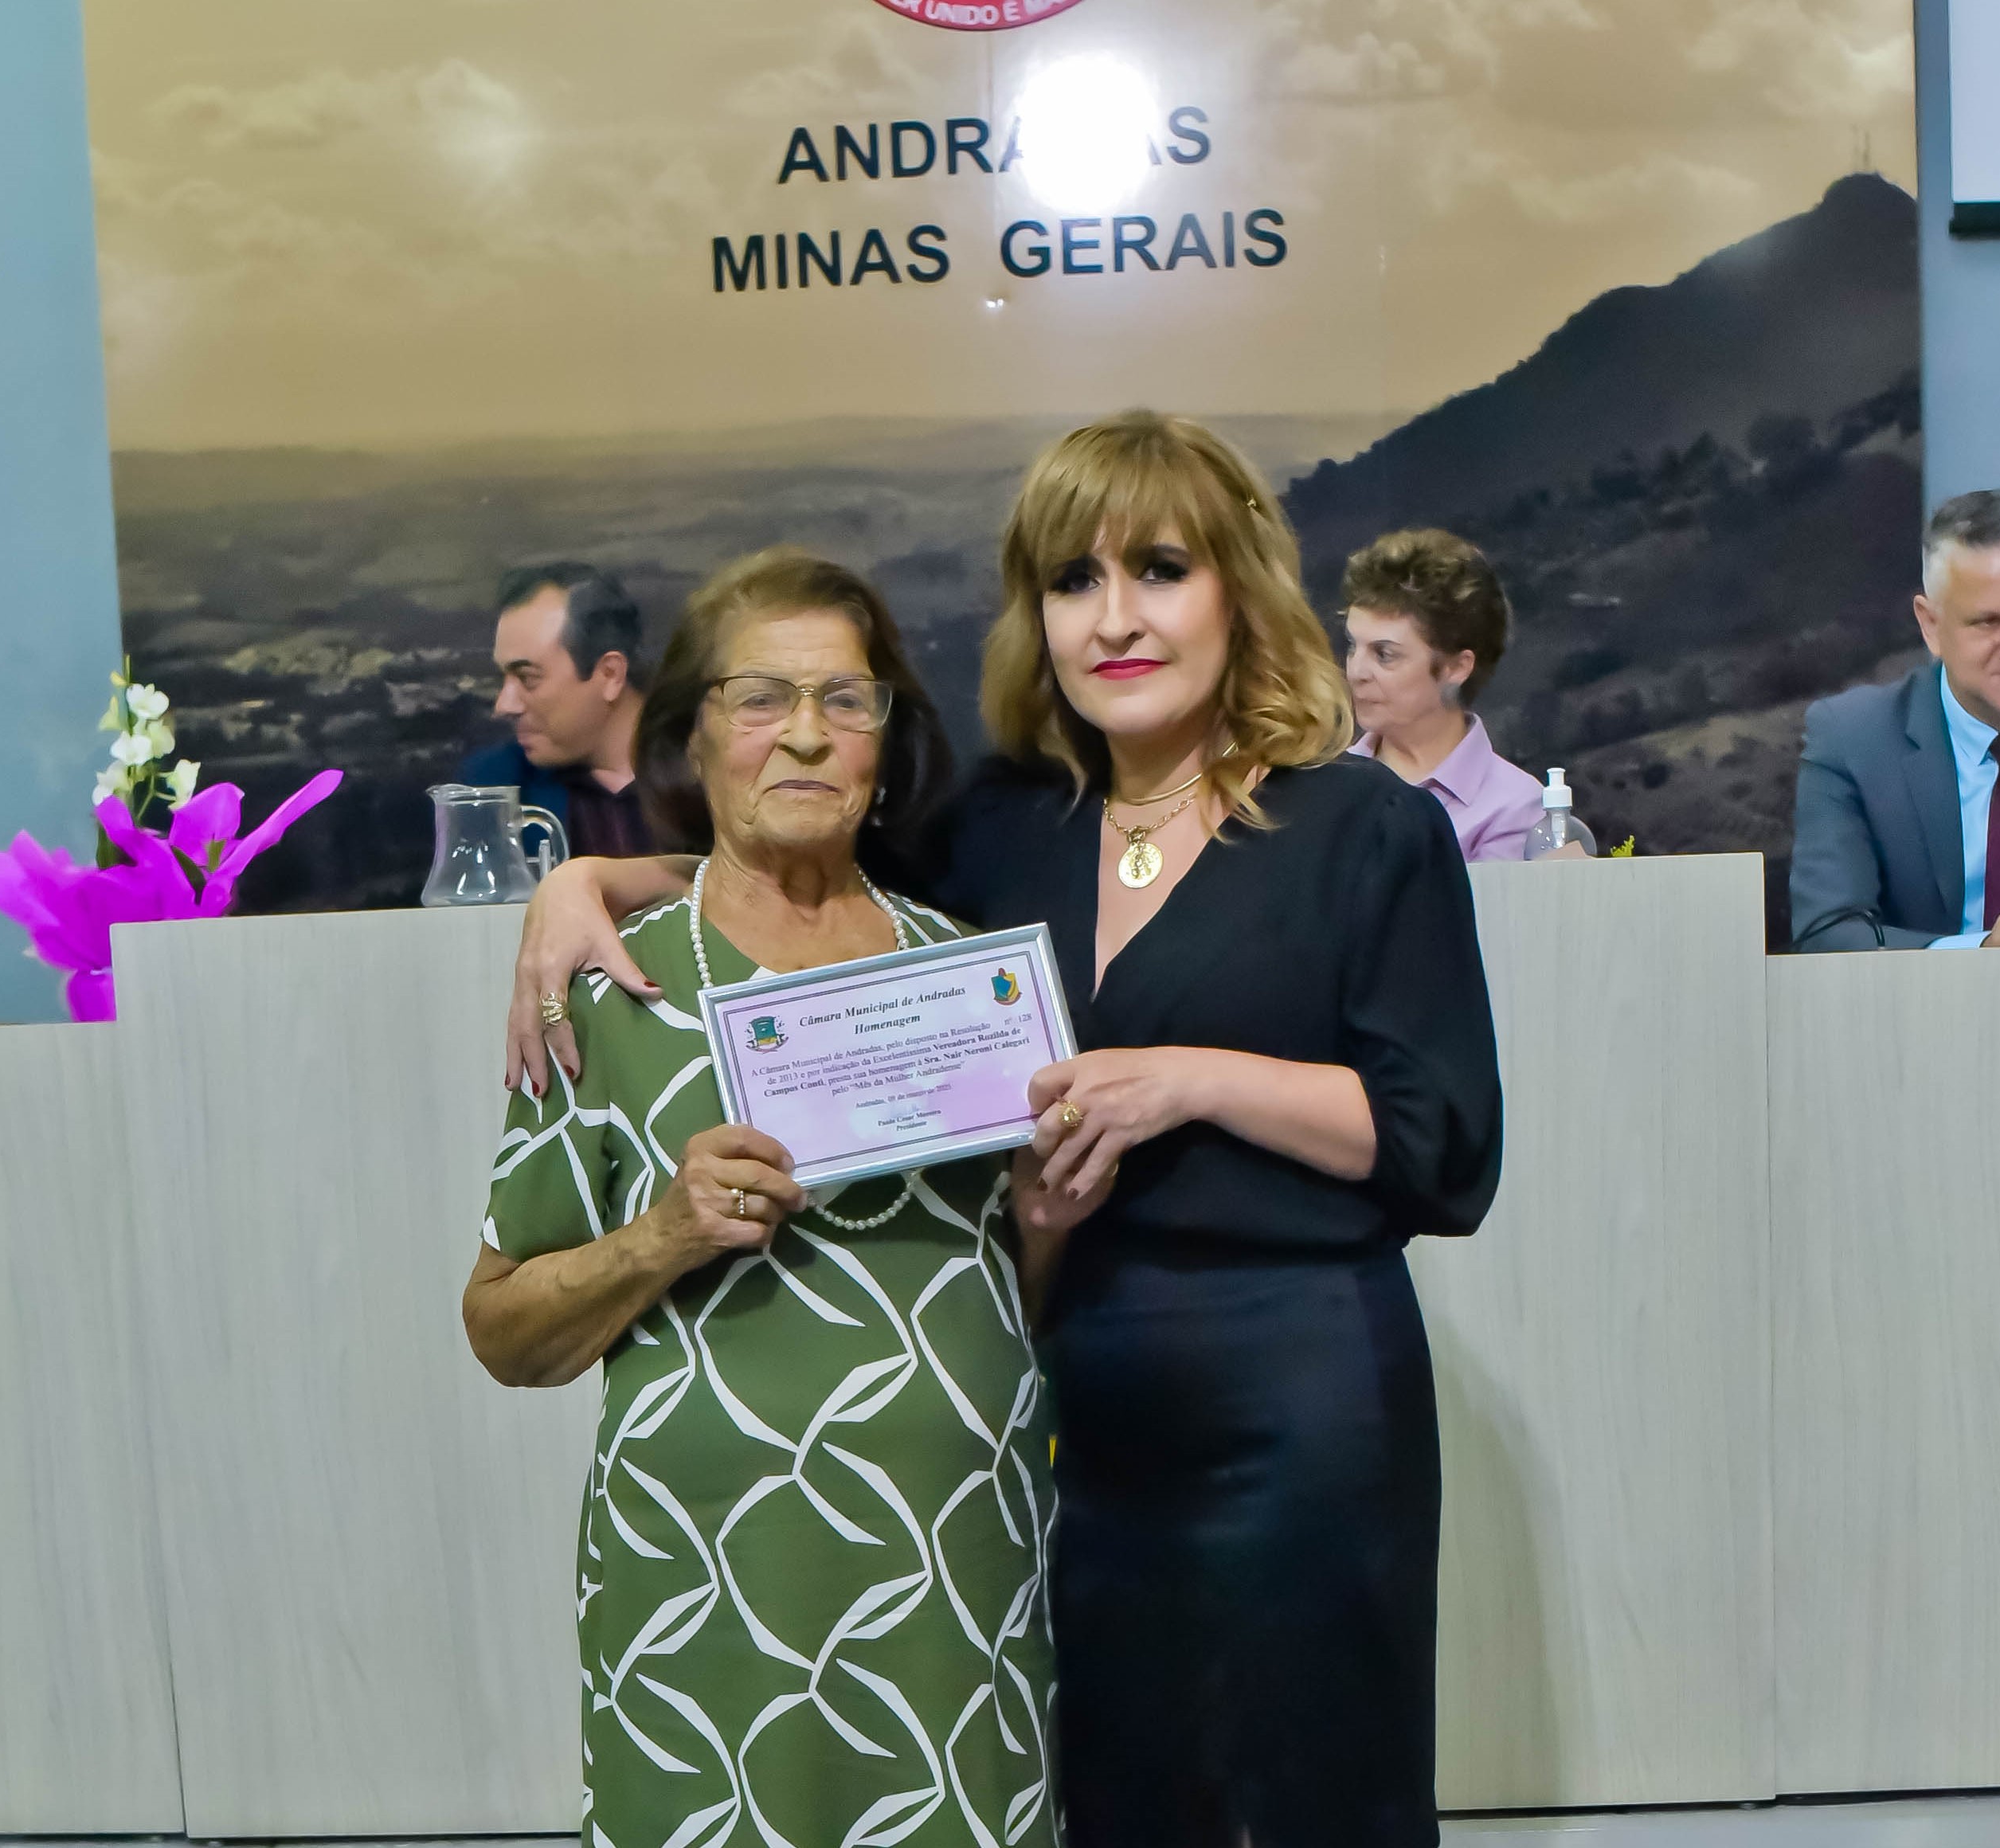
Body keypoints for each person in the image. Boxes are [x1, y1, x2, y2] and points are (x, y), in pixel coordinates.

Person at [501, 412, 1504, 1846]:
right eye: (1073, 581)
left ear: (1237, 591)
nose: (1116, 620)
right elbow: (800, 844)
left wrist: (1190, 1079)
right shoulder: (1007, 829)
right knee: (1112, 1800)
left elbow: (1442, 1146)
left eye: (1160, 571)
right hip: (1061, 1410)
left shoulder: (1358, 827)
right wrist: (586, 886)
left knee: (1312, 1797)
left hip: (1295, 1400)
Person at [462, 548, 1058, 1848]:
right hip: (705, 1580)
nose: (804, 735)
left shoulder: (970, 983)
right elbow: (502, 1327)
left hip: (956, 1564)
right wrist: (662, 1237)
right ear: (692, 733)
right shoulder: (609, 990)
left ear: (887, 741)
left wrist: (1055, 1218)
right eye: (760, 699)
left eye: (846, 700)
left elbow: (1021, 1292)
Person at [1791, 489, 2000, 951]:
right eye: (1989, 622)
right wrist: (1981, 954)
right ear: (1931, 625)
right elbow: (1829, 935)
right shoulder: (1853, 740)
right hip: (1917, 999)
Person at [1341, 527, 1544, 861]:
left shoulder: (1514, 809)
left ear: (1456, 667)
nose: (1356, 672)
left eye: (1384, 654)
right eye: (1353, 646)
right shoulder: (1323, 788)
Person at [461, 562, 656, 857]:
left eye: (527, 678)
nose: (504, 706)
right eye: (503, 679)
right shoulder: (493, 790)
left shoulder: (708, 774)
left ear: (610, 675)